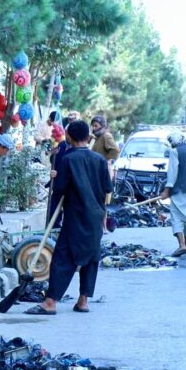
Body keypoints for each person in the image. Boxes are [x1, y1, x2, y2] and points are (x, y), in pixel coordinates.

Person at [27, 120, 112, 315]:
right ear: (88, 137)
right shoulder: (99, 160)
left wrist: (56, 179)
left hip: (75, 215)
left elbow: (60, 189)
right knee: (91, 257)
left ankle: (50, 302)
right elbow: (107, 188)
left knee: (63, 257)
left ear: (69, 138)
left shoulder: (67, 159)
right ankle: (83, 301)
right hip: (96, 215)